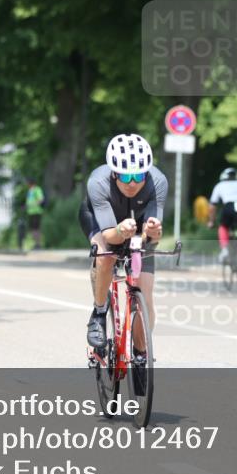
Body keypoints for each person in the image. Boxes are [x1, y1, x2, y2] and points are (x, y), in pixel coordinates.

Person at [79, 133, 167, 362]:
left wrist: (152, 231)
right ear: (114, 173)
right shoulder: (98, 182)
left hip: (136, 222)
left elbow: (152, 235)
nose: (132, 183)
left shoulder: (158, 181)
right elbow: (111, 236)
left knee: (145, 294)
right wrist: (120, 231)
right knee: (105, 255)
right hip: (102, 223)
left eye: (139, 175)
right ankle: (99, 313)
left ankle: (140, 353)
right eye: (126, 176)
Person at [207, 167, 237, 263]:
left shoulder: (220, 185)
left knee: (223, 227)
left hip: (230, 206)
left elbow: (212, 205)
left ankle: (225, 249)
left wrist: (211, 221)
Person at [25, 179, 45, 250]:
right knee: (33, 229)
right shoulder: (30, 191)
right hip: (31, 212)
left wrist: (34, 204)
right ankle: (36, 244)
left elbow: (41, 199)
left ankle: (38, 244)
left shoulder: (37, 189)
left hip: (36, 212)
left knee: (36, 228)